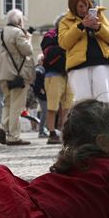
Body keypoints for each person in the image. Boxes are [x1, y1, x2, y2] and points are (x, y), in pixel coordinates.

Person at [58, 0, 109, 103]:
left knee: (104, 101)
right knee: (83, 104)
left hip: (102, 62)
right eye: (80, 6)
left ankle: (104, 121)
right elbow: (64, 43)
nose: (84, 9)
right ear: (73, 6)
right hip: (78, 66)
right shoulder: (65, 21)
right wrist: (80, 26)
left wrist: (99, 27)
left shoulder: (99, 15)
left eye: (86, 5)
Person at [0, 9, 35, 146]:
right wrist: (29, 38)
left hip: (2, 74)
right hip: (16, 74)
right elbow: (27, 51)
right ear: (18, 21)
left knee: (8, 103)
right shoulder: (18, 33)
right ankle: (13, 136)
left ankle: (2, 126)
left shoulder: (1, 33)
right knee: (16, 106)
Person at [41, 17, 72, 145]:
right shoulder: (50, 36)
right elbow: (48, 53)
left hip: (69, 73)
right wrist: (64, 46)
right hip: (53, 74)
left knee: (67, 106)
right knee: (52, 107)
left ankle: (64, 132)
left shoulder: (71, 34)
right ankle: (52, 133)